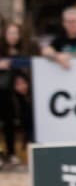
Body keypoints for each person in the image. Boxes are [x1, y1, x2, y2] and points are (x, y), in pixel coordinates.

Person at [2, 20, 35, 167]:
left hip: (16, 93)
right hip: (3, 91)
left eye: (16, 33)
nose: (13, 36)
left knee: (14, 121)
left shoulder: (24, 50)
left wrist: (23, 82)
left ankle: (12, 153)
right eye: (10, 33)